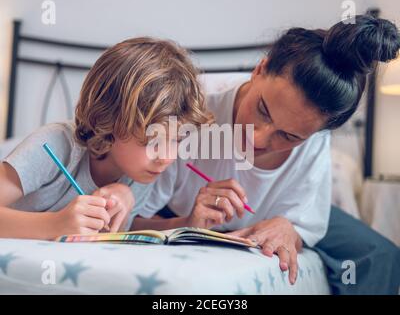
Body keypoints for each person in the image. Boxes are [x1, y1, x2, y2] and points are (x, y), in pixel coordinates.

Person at [132, 15, 400, 294]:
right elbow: (130, 221)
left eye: (289, 136)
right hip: (178, 212)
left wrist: (291, 230)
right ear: (260, 68)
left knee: (380, 257)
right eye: (262, 110)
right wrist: (188, 223)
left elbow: (306, 220)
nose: (257, 139)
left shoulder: (315, 136)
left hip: (278, 211)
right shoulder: (190, 103)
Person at [0, 37, 212, 239]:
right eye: (151, 141)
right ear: (109, 120)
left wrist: (186, 223)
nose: (166, 158)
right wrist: (53, 225)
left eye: (176, 139)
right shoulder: (54, 145)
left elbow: (117, 235)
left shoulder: (139, 174)